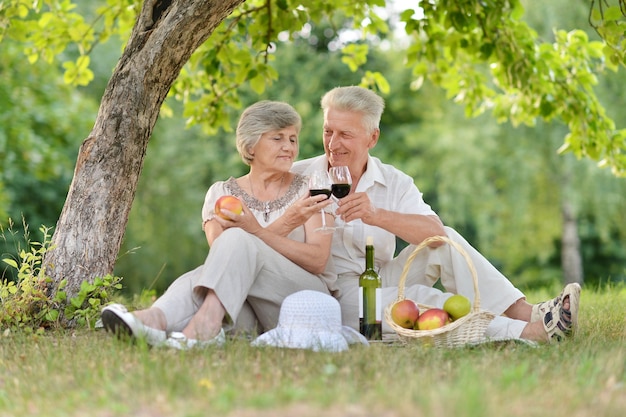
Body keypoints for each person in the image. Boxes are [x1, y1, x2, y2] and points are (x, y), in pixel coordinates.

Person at [289, 86, 580, 343]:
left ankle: (527, 312)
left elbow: (435, 234)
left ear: (372, 137)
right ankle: (527, 332)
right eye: (328, 131)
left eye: (345, 134)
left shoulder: (394, 181)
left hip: (379, 277)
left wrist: (376, 214)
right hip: (336, 295)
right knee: (420, 300)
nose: (332, 144)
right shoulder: (299, 176)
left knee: (446, 239)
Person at [101, 100, 338, 349]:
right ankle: (158, 321)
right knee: (221, 259)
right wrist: (281, 224)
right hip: (244, 311)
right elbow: (223, 256)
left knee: (234, 240)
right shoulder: (222, 194)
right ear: (250, 145)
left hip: (301, 305)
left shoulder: (311, 190)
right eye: (277, 138)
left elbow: (317, 260)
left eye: (292, 139)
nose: (289, 147)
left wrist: (258, 229)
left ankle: (171, 322)